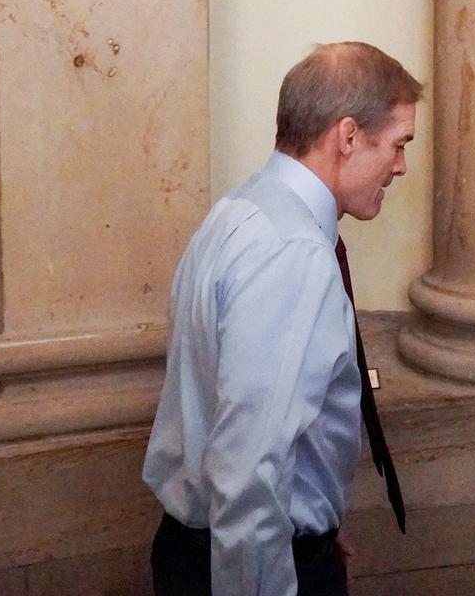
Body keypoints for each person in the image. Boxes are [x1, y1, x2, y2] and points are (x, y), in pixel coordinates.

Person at [144, 41, 421, 596]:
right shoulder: (290, 250)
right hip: (240, 564)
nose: (400, 166)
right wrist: (284, 553)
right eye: (397, 144)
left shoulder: (242, 211)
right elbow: (248, 467)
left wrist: (308, 522)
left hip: (225, 547)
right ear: (347, 137)